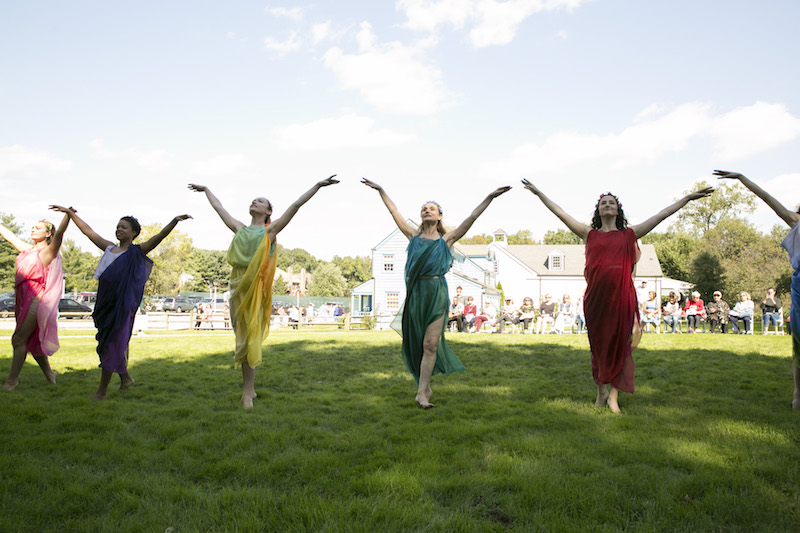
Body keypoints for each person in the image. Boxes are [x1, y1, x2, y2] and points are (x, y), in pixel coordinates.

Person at [523, 179, 712, 412]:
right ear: (598, 210)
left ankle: (613, 396)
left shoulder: (629, 234)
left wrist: (686, 198)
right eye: (603, 203)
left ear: (618, 209)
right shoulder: (588, 233)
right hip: (596, 299)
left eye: (611, 202)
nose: (607, 205)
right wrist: (539, 193)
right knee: (599, 346)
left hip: (622, 297)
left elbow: (661, 215)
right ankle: (601, 390)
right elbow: (560, 213)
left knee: (622, 344)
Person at [190, 176, 338, 408]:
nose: (254, 203)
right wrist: (207, 189)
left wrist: (317, 186)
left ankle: (247, 393)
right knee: (241, 338)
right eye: (253, 201)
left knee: (251, 339)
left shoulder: (270, 231)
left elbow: (296, 205)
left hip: (256, 289)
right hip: (237, 287)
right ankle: (249, 389)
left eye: (260, 201)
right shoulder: (239, 228)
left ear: (268, 210)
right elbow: (219, 208)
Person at [362, 178, 510, 408]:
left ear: (440, 216)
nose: (426, 210)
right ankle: (424, 385)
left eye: (432, 208)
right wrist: (381, 190)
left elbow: (471, 218)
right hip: (416, 294)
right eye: (423, 208)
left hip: (437, 293)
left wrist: (489, 197)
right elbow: (394, 211)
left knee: (431, 344)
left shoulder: (446, 239)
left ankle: (422, 393)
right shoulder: (413, 236)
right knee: (417, 343)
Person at [51, 206, 191, 400]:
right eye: (118, 227)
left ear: (134, 233)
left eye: (124, 227)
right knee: (105, 343)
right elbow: (88, 231)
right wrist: (70, 213)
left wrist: (174, 221)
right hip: (104, 304)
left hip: (122, 305)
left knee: (112, 344)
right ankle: (126, 379)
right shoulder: (108, 248)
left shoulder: (136, 251)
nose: (119, 230)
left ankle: (102, 390)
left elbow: (158, 238)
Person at [715, 170, 800, 407]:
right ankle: (797, 394)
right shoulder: (798, 222)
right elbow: (768, 199)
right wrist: (742, 179)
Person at [1, 211, 70, 390]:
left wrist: (68, 215)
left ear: (48, 233)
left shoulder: (47, 252)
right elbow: (9, 236)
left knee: (19, 339)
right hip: (22, 298)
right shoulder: (27, 250)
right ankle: (49, 373)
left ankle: (12, 380)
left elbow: (60, 235)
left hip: (37, 298)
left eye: (38, 228)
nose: (33, 229)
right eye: (32, 227)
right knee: (31, 339)